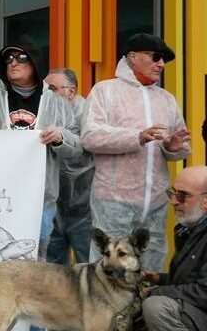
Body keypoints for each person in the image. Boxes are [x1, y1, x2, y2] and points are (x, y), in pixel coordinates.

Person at [0, 35, 81, 258]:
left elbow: (77, 147)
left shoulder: (56, 102)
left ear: (35, 62)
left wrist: (60, 137)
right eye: (8, 58)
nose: (13, 62)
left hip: (40, 199)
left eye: (21, 57)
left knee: (35, 259)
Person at [82, 33, 191, 272]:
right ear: (132, 57)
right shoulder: (105, 91)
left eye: (163, 60)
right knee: (107, 270)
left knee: (150, 269)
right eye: (156, 57)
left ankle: (146, 309)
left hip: (156, 203)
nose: (161, 64)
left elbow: (180, 145)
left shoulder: (167, 99)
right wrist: (136, 137)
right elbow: (90, 137)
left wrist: (173, 148)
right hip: (113, 200)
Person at [141, 165, 207, 331]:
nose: (173, 201)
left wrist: (156, 291)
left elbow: (203, 292)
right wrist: (160, 279)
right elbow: (192, 280)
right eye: (173, 193)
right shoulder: (187, 228)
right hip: (198, 310)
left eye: (183, 195)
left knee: (156, 308)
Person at [44, 68, 95, 264]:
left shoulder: (88, 116)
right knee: (54, 273)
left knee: (89, 268)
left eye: (52, 89)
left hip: (84, 209)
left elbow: (83, 149)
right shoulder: (47, 114)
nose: (48, 95)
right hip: (54, 207)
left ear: (71, 91)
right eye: (45, 91)